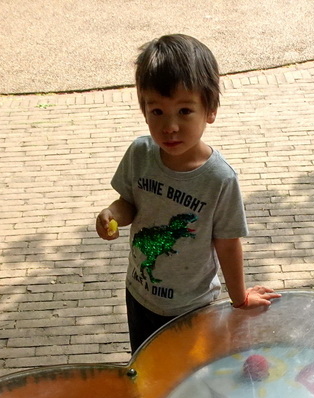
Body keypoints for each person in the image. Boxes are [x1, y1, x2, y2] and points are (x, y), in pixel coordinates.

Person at [96, 34, 280, 352]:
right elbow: (128, 202)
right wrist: (113, 214)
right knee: (147, 366)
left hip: (193, 306)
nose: (170, 126)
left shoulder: (220, 179)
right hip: (140, 294)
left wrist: (240, 297)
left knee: (189, 373)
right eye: (157, 112)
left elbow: (227, 242)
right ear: (144, 110)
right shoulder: (140, 153)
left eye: (184, 111)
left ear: (209, 110)